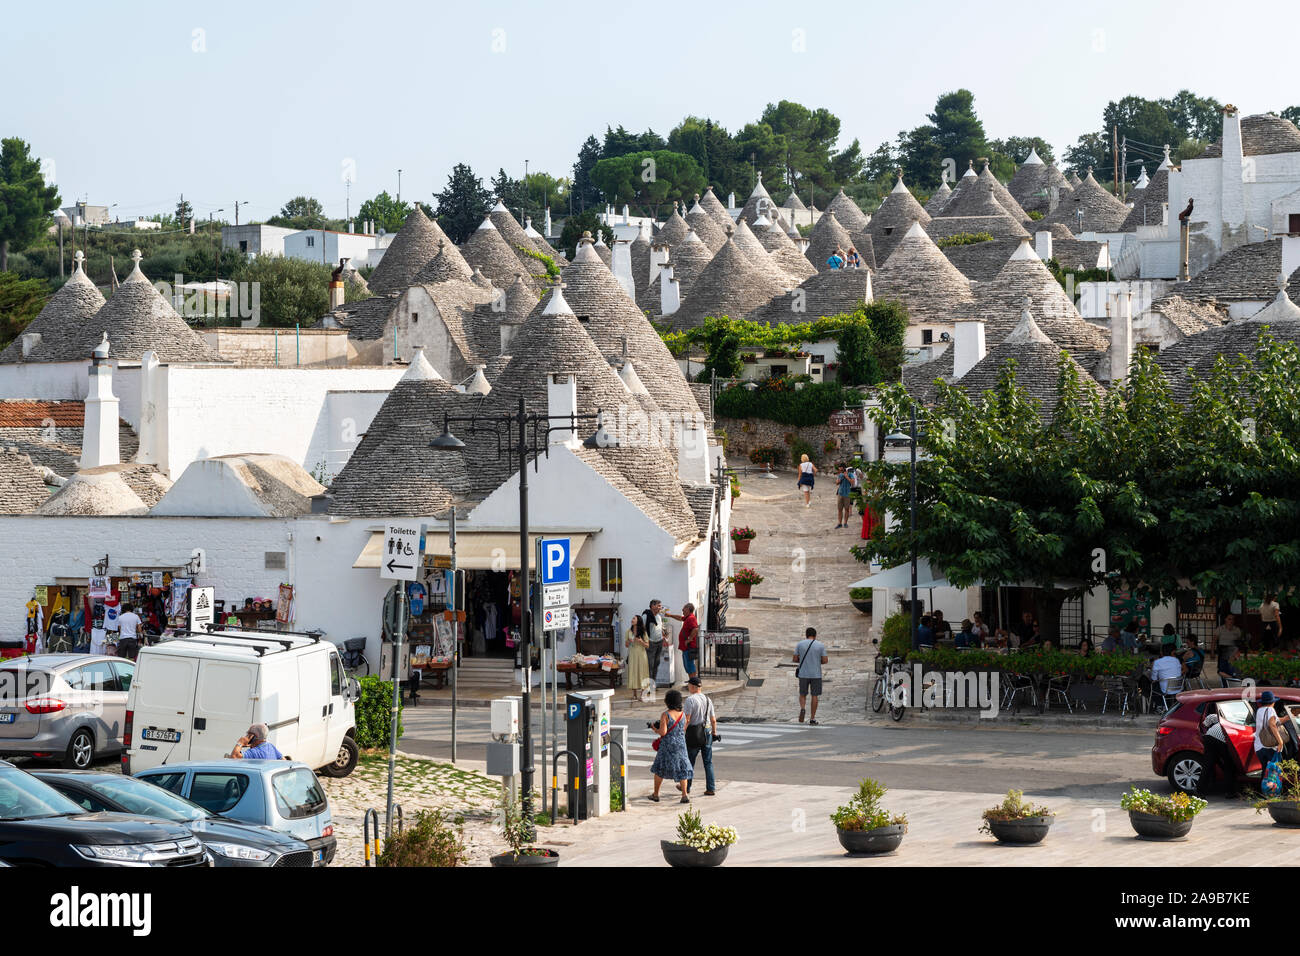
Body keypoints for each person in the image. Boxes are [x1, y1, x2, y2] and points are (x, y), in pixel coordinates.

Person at [649, 689, 692, 803]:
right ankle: (684, 794)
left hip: (667, 745)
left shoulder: (666, 714)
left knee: (660, 768)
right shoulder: (683, 715)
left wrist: (655, 729)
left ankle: (656, 794)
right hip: (681, 744)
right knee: (682, 768)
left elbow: (663, 732)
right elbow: (683, 728)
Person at [682, 676, 717, 796]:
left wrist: (682, 732)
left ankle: (687, 787)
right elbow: (713, 719)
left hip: (694, 733)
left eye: (688, 685)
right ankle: (711, 788)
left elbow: (687, 720)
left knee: (689, 760)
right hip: (707, 732)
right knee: (708, 762)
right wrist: (714, 733)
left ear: (692, 687)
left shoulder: (690, 700)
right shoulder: (708, 699)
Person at [793, 626, 828, 725]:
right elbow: (825, 660)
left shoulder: (800, 644)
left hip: (803, 673)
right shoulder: (820, 645)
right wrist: (817, 661)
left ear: (806, 635)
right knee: (814, 695)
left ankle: (803, 708)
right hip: (816, 674)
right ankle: (812, 718)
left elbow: (795, 659)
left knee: (802, 694)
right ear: (815, 635)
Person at [1199, 704, 1237, 793]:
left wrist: (1208, 727)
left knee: (1207, 766)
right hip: (1220, 739)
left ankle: (1199, 791)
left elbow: (1204, 724)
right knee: (1229, 765)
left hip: (1208, 736)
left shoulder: (1217, 717)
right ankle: (1230, 792)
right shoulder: (1236, 719)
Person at [664, 603, 699, 683]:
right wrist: (670, 615)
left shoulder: (691, 618)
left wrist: (689, 639)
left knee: (689, 665)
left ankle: (693, 682)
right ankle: (692, 681)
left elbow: (696, 629)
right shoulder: (687, 618)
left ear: (688, 609)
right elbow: (680, 618)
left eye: (684, 609)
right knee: (688, 665)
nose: (682, 610)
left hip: (689, 647)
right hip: (686, 647)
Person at [1254, 691, 1285, 770]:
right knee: (1275, 773)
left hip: (1259, 746)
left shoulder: (1259, 710)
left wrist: (1288, 717)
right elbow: (1273, 725)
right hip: (1270, 746)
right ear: (1273, 702)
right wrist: (1280, 742)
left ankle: (1263, 783)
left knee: (1265, 772)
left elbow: (1276, 721)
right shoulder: (1270, 709)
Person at [625, 612, 650, 700]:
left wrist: (641, 641)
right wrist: (629, 641)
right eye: (632, 618)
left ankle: (643, 694)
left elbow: (647, 645)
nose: (632, 620)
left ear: (638, 621)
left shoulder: (643, 632)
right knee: (633, 672)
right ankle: (634, 694)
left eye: (634, 618)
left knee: (642, 672)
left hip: (641, 654)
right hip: (632, 655)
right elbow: (626, 645)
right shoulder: (628, 631)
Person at [644, 600, 667, 686]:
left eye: (660, 606)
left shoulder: (659, 616)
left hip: (659, 642)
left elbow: (659, 627)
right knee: (650, 665)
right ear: (652, 606)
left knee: (656, 664)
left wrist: (663, 635)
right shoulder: (646, 616)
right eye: (659, 606)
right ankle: (649, 685)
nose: (660, 607)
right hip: (651, 643)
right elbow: (642, 629)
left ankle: (653, 683)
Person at [834, 465, 853, 529]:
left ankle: (845, 523)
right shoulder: (840, 475)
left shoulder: (850, 474)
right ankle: (839, 523)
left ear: (844, 469)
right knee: (839, 509)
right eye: (839, 470)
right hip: (840, 493)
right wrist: (841, 478)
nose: (840, 471)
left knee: (847, 509)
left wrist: (847, 477)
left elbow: (853, 482)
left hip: (847, 494)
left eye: (841, 470)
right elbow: (836, 483)